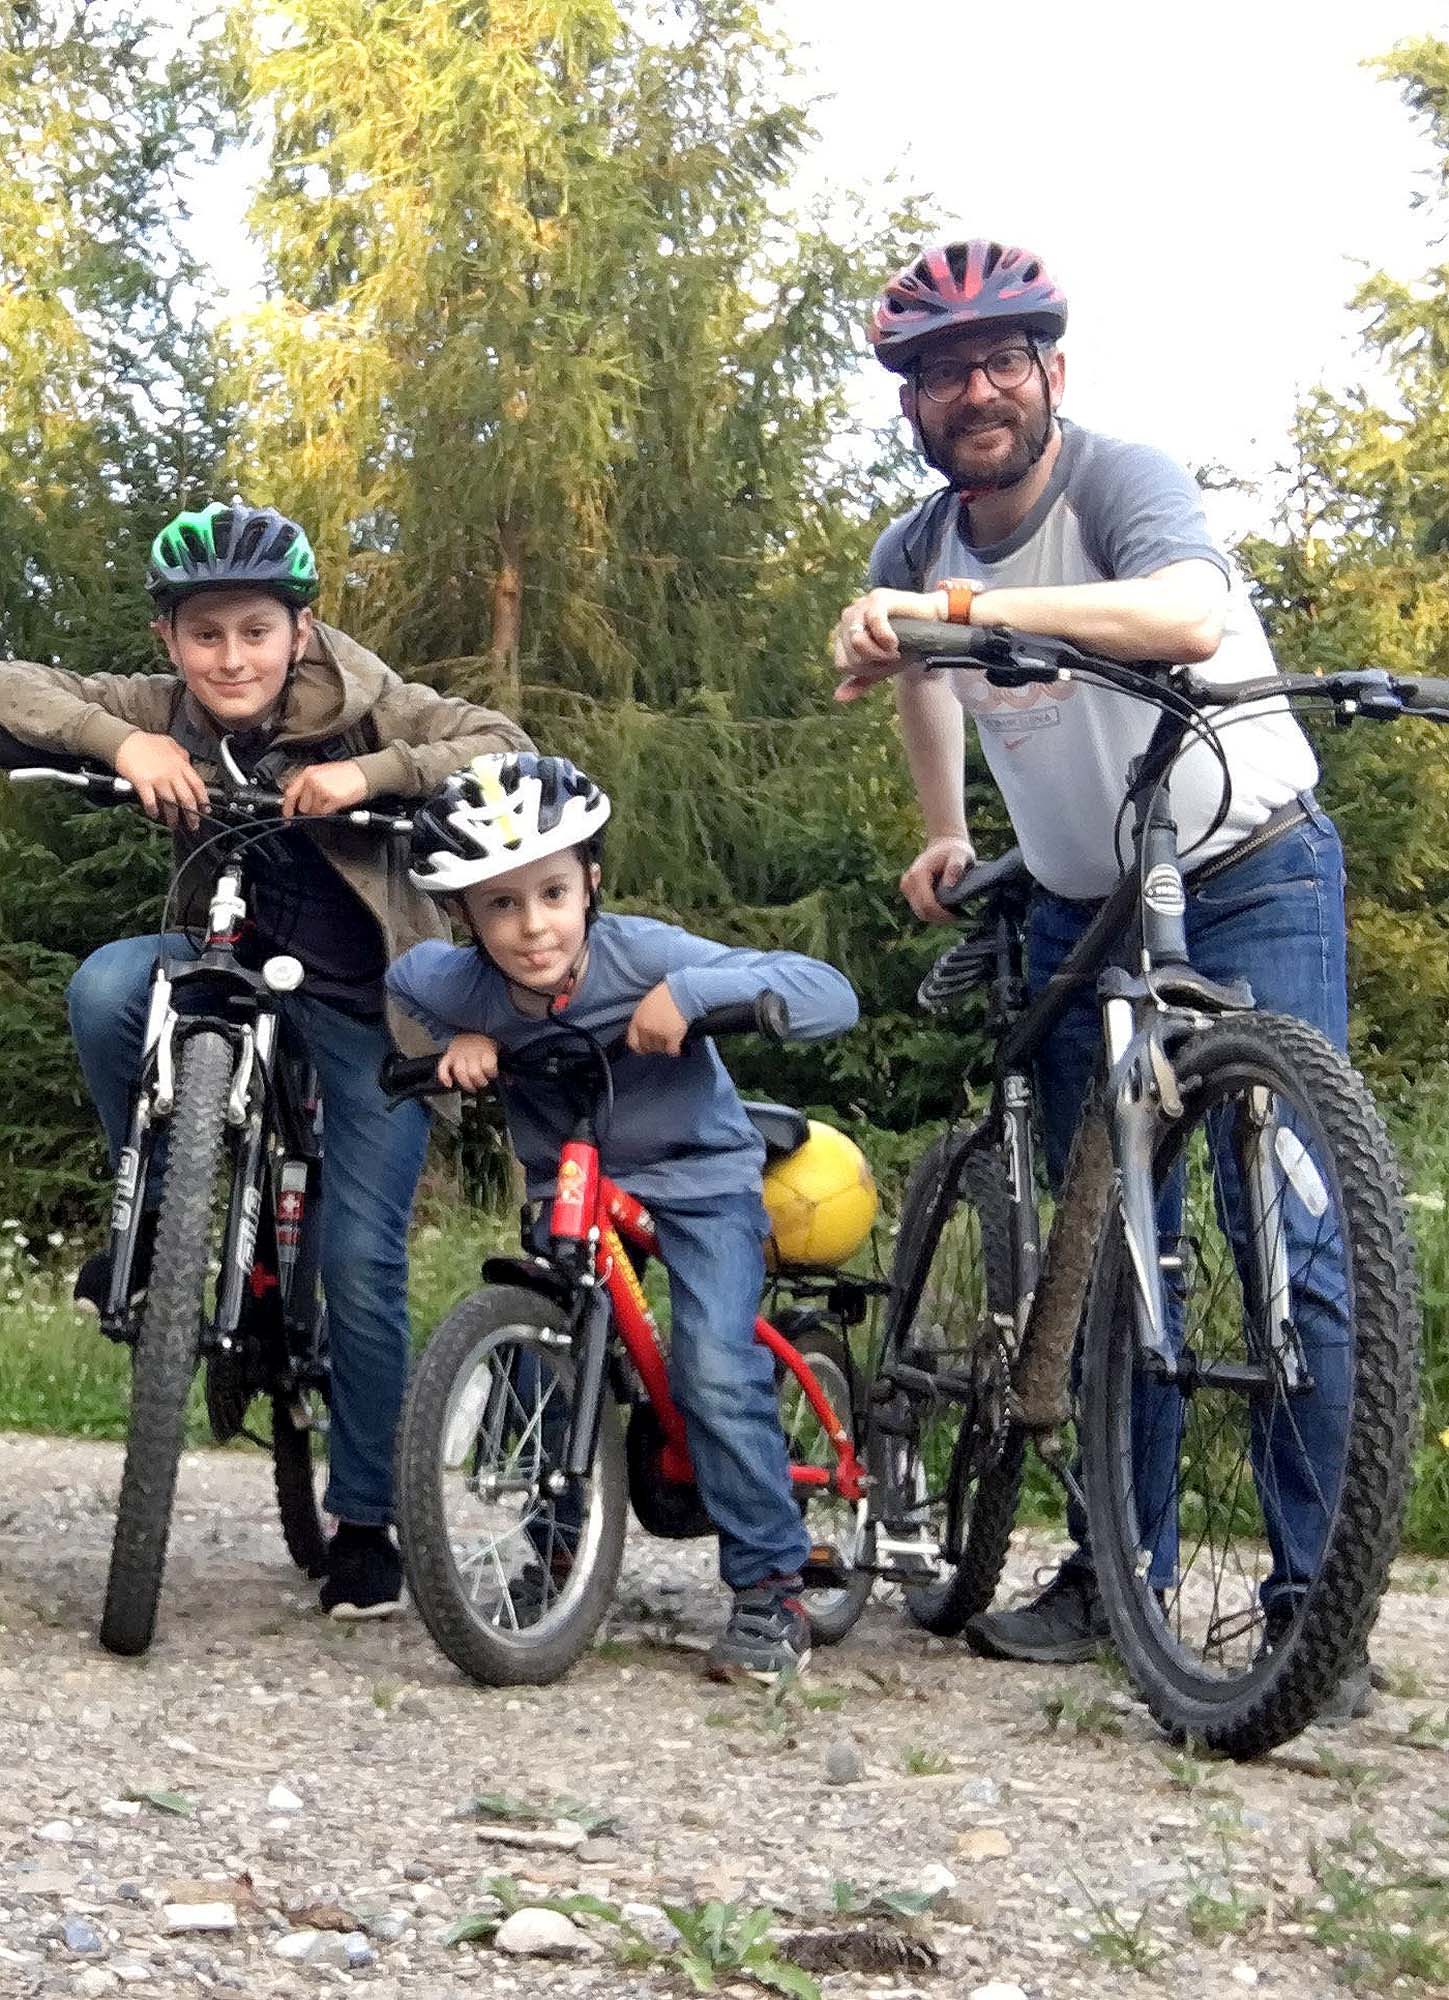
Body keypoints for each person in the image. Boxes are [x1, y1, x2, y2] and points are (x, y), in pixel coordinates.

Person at [833, 238, 1369, 1720]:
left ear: (1049, 376)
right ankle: (1107, 1564)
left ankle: (1313, 1604)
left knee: (1292, 1233)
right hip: (1082, 904)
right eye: (942, 372)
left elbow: (1186, 617)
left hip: (1250, 866)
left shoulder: (1122, 480)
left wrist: (970, 617)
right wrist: (943, 830)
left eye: (1002, 361)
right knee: (1106, 1245)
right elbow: (918, 682)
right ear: (913, 407)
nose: (975, 390)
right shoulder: (912, 547)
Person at [0, 500, 532, 1619]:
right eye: (204, 635)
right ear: (170, 644)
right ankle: (152, 1214)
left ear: (300, 629)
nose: (230, 656)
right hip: (223, 958)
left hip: (368, 1001)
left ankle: (371, 1521)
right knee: (105, 985)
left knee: (358, 1255)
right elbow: (15, 686)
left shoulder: (366, 699)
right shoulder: (167, 709)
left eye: (255, 630)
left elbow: (504, 744)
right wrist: (122, 740)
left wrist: (375, 774)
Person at [388, 753, 860, 1680]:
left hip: (698, 1177)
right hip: (566, 1182)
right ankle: (560, 1549)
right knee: (541, 1359)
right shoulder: (461, 982)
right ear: (463, 916)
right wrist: (461, 1040)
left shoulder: (646, 954)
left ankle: (772, 1589)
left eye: (553, 893)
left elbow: (828, 994)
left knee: (714, 1364)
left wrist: (692, 996)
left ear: (590, 883)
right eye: (501, 906)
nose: (533, 928)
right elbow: (406, 982)